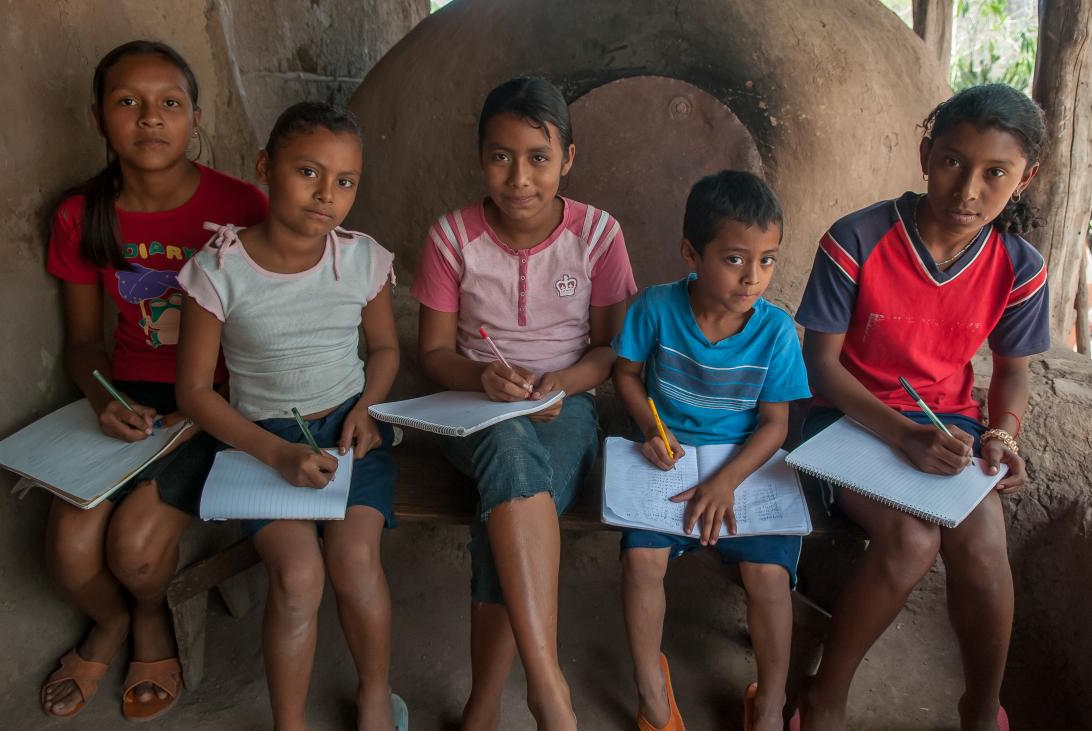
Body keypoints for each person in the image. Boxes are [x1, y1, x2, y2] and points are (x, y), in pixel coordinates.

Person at [795, 84, 1049, 731]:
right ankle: (826, 694)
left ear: (1027, 178)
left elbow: (1012, 372)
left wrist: (1002, 433)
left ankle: (979, 705)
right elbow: (820, 364)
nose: (968, 190)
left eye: (996, 173)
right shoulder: (856, 239)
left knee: (985, 544)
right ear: (925, 154)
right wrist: (902, 434)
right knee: (911, 539)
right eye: (952, 162)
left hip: (947, 425)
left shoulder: (1019, 268)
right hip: (843, 418)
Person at [42, 40, 267, 721]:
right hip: (131, 396)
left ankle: (147, 619)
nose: (149, 119)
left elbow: (268, 333)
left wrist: (207, 408)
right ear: (98, 118)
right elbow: (83, 343)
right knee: (70, 547)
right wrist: (103, 400)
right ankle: (110, 621)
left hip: (223, 398)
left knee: (135, 549)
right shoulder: (81, 216)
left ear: (195, 118)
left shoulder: (240, 206)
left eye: (169, 104)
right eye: (128, 104)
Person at [411, 76, 637, 730]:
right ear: (480, 157)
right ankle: (548, 688)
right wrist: (483, 378)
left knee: (502, 507)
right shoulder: (452, 236)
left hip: (568, 409)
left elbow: (607, 349)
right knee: (506, 446)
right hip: (468, 410)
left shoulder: (597, 234)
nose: (519, 177)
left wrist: (560, 384)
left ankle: (484, 705)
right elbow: (433, 355)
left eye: (538, 157)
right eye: (500, 156)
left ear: (569, 157)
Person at [176, 101, 404, 731]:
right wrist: (274, 453)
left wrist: (365, 408)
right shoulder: (219, 270)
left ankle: (376, 695)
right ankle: (290, 723)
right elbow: (194, 392)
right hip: (258, 443)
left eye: (346, 181)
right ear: (264, 167)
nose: (326, 195)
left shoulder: (362, 260)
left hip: (351, 433)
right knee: (299, 575)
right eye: (308, 172)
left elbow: (384, 349)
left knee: (355, 563)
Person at [612, 170, 810, 731]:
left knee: (768, 578)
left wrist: (727, 482)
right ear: (691, 253)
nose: (753, 278)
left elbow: (775, 424)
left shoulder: (775, 332)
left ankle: (769, 703)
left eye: (768, 260)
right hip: (668, 462)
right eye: (735, 259)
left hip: (746, 466)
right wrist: (650, 425)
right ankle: (652, 690)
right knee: (641, 561)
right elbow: (626, 375)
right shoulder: (655, 308)